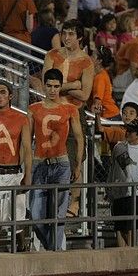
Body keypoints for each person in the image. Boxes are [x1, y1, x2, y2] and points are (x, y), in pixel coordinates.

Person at [28, 68, 83, 251]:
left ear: (60, 87)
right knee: (36, 213)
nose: (52, 90)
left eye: (56, 86)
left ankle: (54, 252)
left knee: (59, 213)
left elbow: (79, 137)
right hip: (39, 163)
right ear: (44, 86)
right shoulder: (33, 109)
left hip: (61, 163)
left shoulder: (70, 109)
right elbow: (27, 141)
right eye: (49, 86)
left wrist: (78, 164)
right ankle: (53, 247)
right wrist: (27, 168)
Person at [0, 81, 32, 253]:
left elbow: (26, 148)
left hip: (14, 173)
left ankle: (21, 250)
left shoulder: (21, 119)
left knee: (17, 218)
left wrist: (28, 174)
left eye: (2, 92)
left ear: (10, 96)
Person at [107, 120, 138, 247]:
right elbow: (113, 169)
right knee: (119, 226)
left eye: (131, 131)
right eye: (127, 130)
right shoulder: (118, 147)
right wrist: (109, 187)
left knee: (131, 226)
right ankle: (122, 251)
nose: (128, 133)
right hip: (119, 191)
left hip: (135, 193)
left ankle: (131, 251)